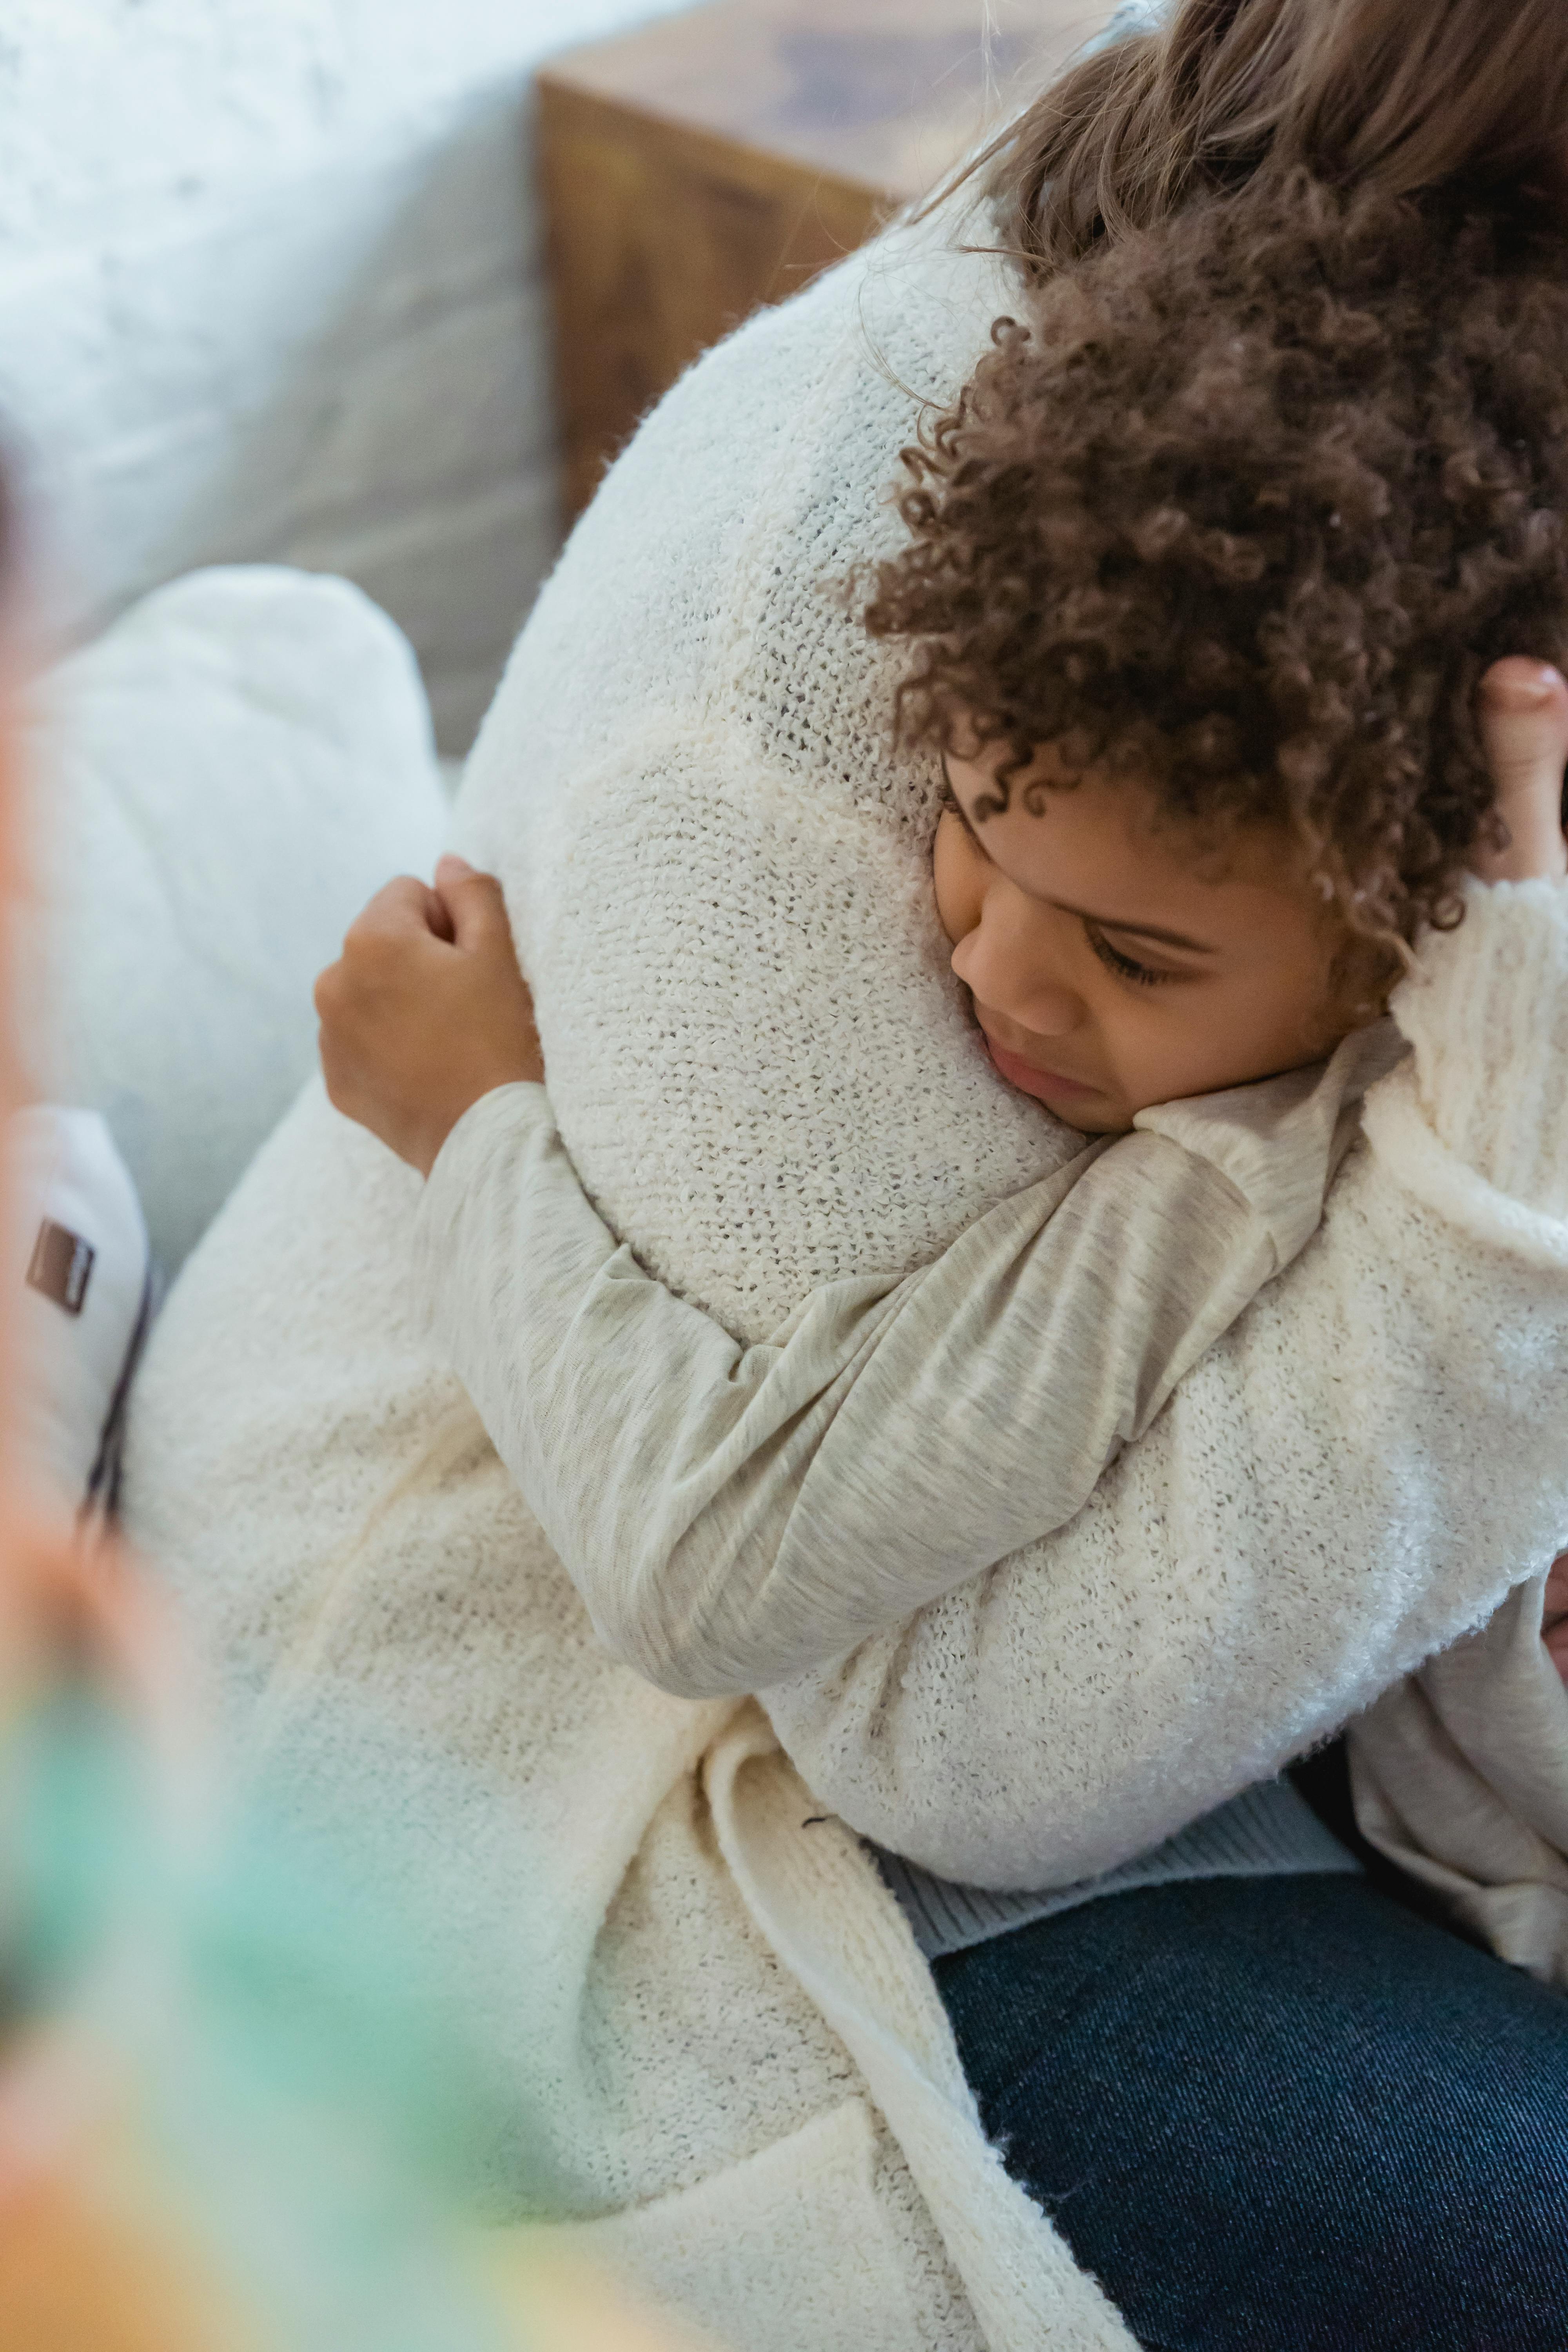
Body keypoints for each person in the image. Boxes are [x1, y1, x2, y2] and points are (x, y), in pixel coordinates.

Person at [127, 5, 1568, 2348]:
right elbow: (880, 1694)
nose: (974, 945)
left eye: (1119, 942)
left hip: (1211, 1691)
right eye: (970, 842)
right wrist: (483, 1134)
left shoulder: (1404, 625)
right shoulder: (897, 669)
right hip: (643, 1787)